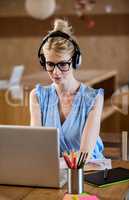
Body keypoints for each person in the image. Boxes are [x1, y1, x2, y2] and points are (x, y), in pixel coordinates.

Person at [29, 19, 104, 159]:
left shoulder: (94, 99)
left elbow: (84, 157)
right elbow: (36, 145)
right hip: (52, 172)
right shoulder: (37, 96)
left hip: (87, 173)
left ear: (75, 61)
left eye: (63, 64)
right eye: (50, 64)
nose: (56, 72)